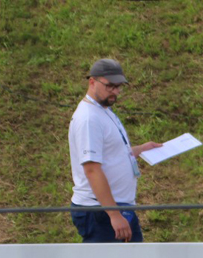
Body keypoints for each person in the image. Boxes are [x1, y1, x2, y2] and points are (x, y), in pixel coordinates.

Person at [69, 58, 161, 243]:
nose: (116, 92)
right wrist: (114, 215)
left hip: (115, 208)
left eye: (119, 86)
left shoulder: (102, 110)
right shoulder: (89, 119)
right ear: (92, 82)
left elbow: (110, 153)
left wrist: (140, 149)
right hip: (101, 211)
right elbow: (92, 169)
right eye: (110, 86)